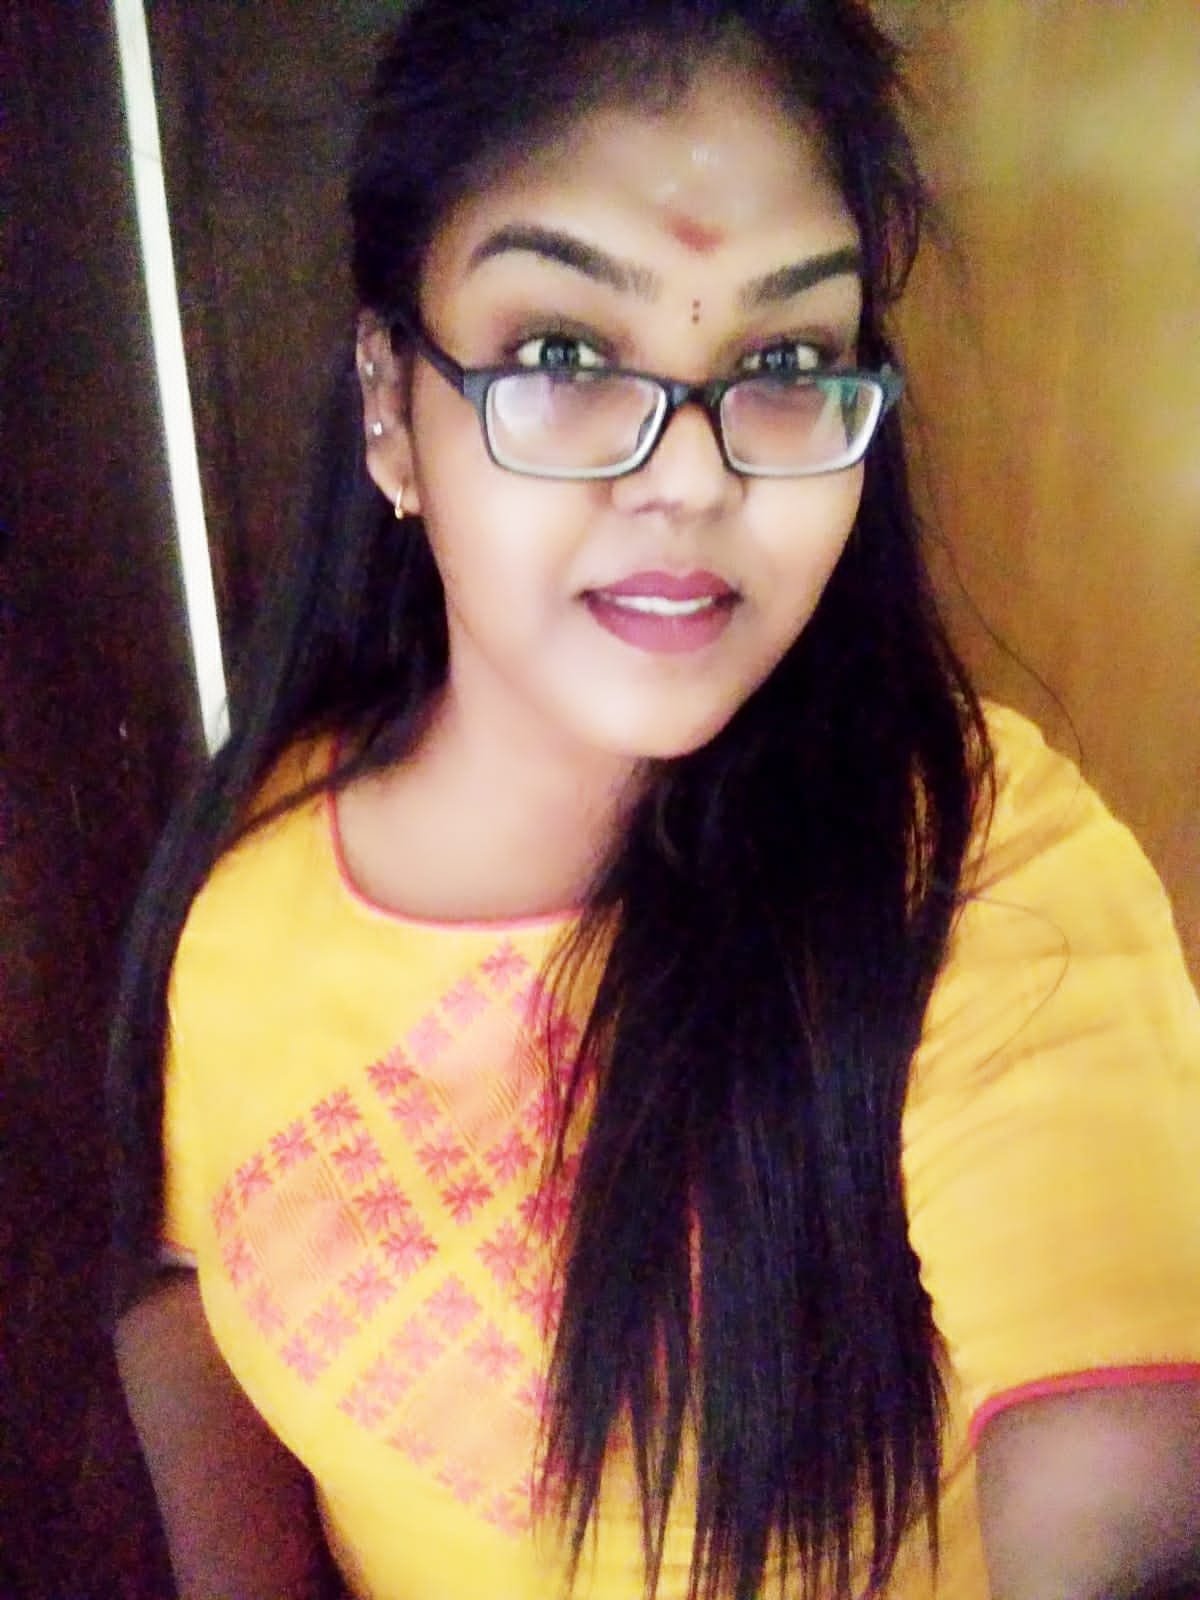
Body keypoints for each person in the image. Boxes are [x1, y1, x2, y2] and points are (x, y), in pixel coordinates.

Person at [108, 3, 1200, 1597]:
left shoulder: (983, 888)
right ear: (388, 407)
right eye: (563, 354)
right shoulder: (260, 855)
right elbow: (191, 1290)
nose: (693, 477)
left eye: (784, 362)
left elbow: (1131, 1498)